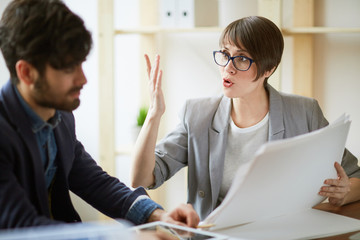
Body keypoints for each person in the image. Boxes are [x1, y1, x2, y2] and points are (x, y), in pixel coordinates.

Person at [0, 0, 200, 235]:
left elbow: (95, 183)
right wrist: (124, 238)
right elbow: (20, 226)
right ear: (26, 72)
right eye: (68, 69)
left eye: (81, 64)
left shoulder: (61, 117)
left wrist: (157, 216)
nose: (83, 79)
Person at [130, 16, 360, 220]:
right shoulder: (198, 114)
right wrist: (154, 114)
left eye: (242, 59)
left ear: (268, 69)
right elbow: (141, 179)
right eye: (225, 54)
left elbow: (355, 176)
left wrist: (343, 192)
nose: (228, 68)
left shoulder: (304, 113)